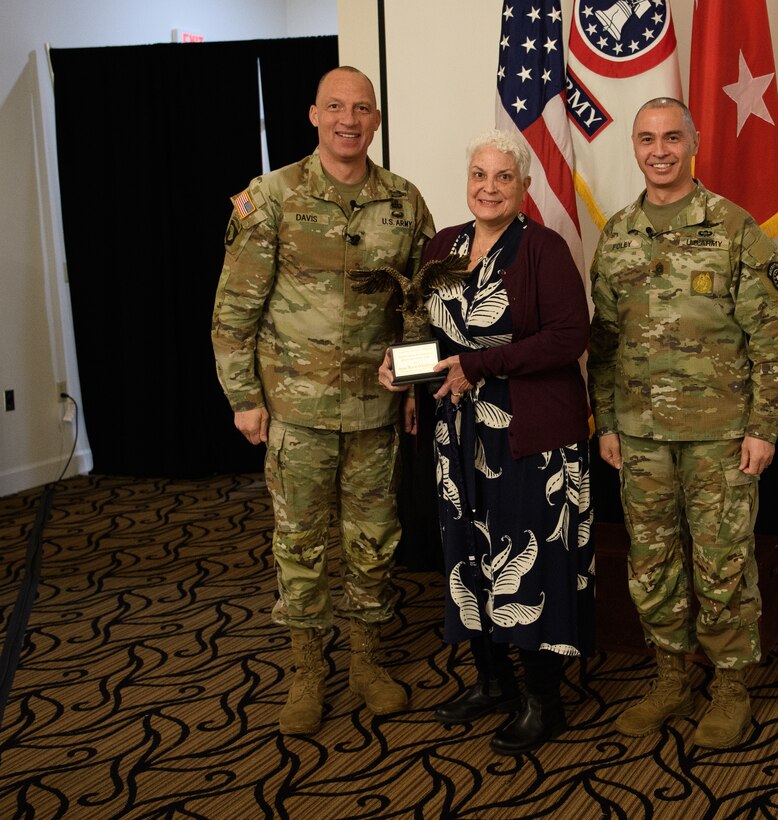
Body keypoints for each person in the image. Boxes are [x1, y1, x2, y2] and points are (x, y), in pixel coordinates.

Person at [211, 66, 434, 736]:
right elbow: (235, 305)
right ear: (313, 114)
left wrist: (416, 380)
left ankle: (365, 661)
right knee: (300, 542)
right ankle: (308, 669)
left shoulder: (403, 200)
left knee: (372, 542)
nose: (348, 119)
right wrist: (242, 396)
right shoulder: (271, 196)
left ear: (375, 119)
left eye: (361, 108)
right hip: (296, 408)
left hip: (375, 409)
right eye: (335, 107)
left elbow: (421, 305)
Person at [587, 98, 778, 749]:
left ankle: (730, 687)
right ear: (634, 146)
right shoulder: (617, 234)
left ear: (692, 143)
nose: (659, 150)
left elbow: (773, 339)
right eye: (647, 138)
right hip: (641, 435)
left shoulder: (734, 228)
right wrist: (605, 421)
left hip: (719, 435)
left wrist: (764, 426)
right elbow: (603, 341)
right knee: (651, 562)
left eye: (671, 137)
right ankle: (670, 677)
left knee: (722, 563)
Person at [380, 129, 594, 755]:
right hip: (458, 432)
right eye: (480, 174)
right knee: (470, 559)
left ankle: (543, 700)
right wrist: (401, 368)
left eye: (503, 177)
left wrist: (483, 365)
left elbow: (568, 336)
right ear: (466, 180)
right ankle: (492, 682)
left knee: (530, 558)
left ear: (524, 186)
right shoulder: (443, 246)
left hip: (530, 437)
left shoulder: (544, 249)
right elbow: (430, 338)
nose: (489, 187)